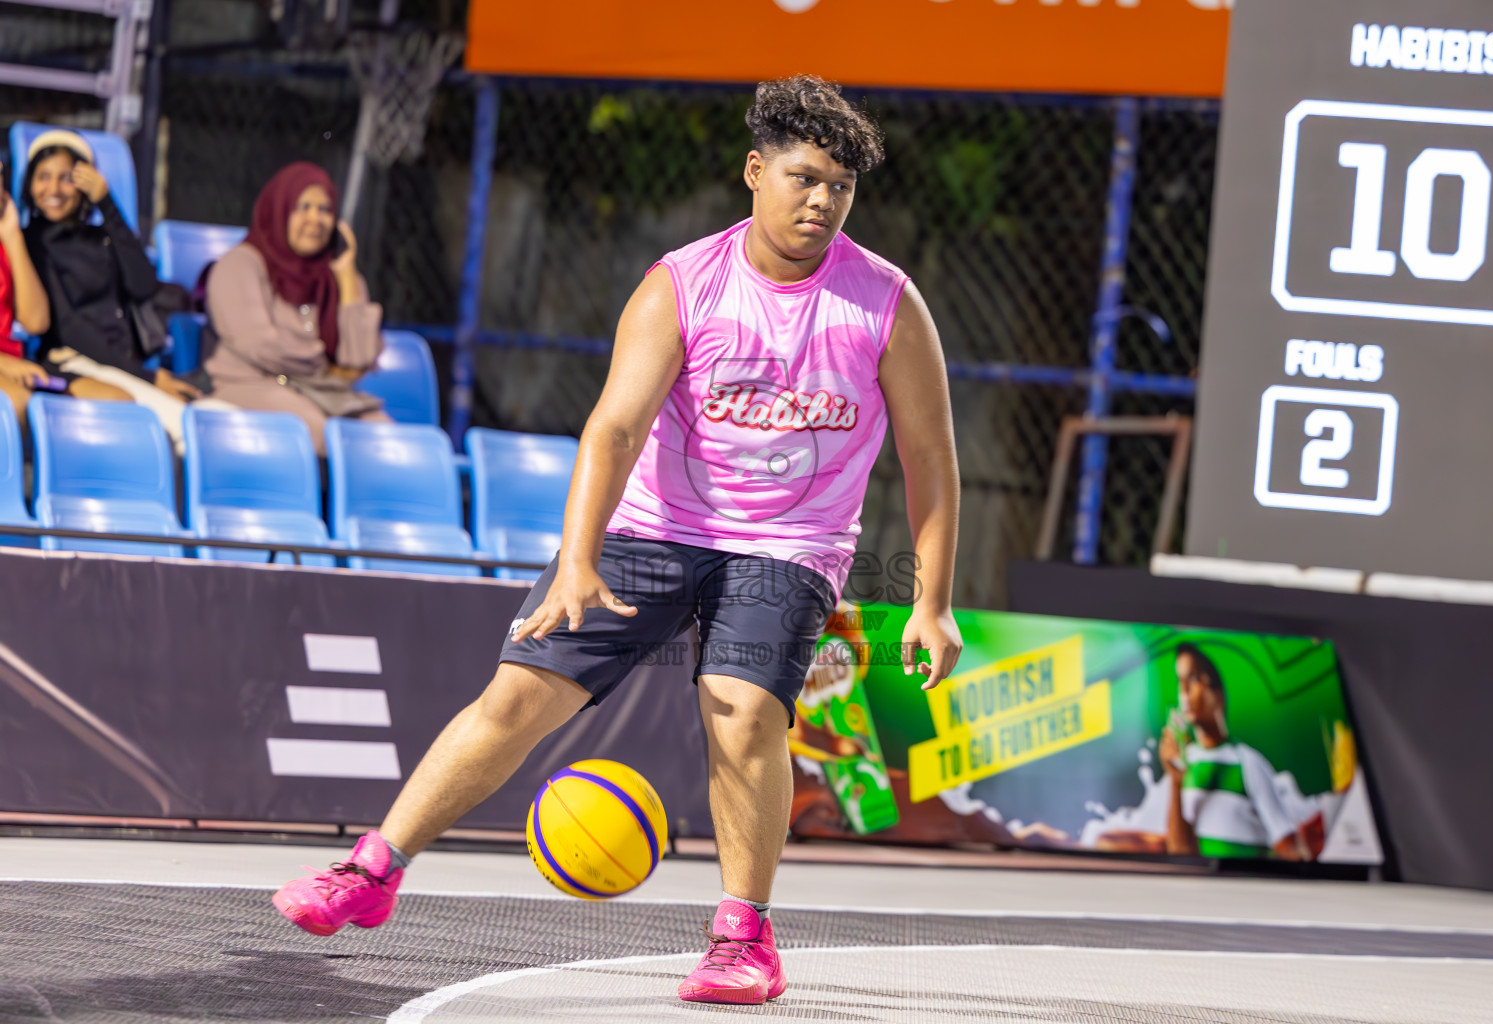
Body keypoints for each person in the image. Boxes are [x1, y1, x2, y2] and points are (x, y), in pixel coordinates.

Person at [271, 75, 963, 1006]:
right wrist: (581, 560)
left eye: (840, 186)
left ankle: (742, 940)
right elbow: (613, 430)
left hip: (791, 542)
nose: (822, 201)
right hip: (656, 524)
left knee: (741, 706)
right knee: (519, 692)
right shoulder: (682, 284)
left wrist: (933, 601)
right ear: (755, 172)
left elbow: (931, 456)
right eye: (804, 178)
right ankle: (371, 870)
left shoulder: (885, 302)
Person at [22, 130, 213, 442]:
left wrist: (107, 204)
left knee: (206, 419)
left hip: (123, 363)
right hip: (75, 360)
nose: (54, 189)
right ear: (30, 184)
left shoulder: (102, 237)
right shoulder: (33, 242)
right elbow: (69, 328)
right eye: (43, 177)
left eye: (67, 177)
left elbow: (144, 287)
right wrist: (149, 377)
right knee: (181, 430)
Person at [204, 162, 386, 453]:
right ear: (280, 209)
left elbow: (359, 360)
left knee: (385, 437)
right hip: (250, 384)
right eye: (304, 207)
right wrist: (328, 365)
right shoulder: (240, 264)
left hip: (321, 393)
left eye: (325, 210)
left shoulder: (338, 276)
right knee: (316, 432)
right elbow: (260, 345)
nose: (315, 219)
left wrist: (349, 283)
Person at [1158, 643, 1314, 860]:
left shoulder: (1247, 762)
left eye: (1193, 679)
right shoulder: (1183, 764)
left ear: (1218, 692)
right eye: (1180, 682)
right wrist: (1175, 781)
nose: (1184, 693)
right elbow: (1180, 855)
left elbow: (1289, 848)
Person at [0, 176, 62, 419]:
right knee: (15, 405)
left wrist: (13, 236)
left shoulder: (9, 241)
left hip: (16, 361)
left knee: (118, 400)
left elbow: (36, 322)